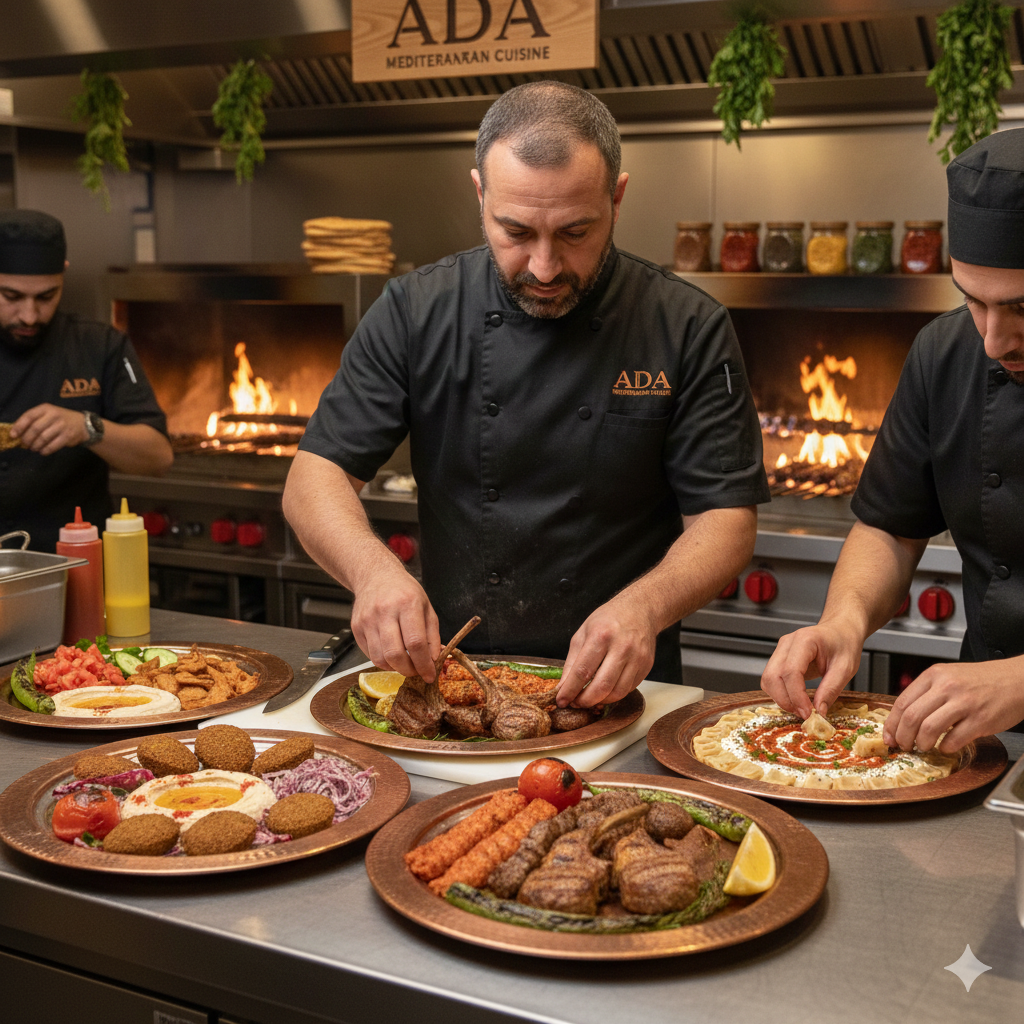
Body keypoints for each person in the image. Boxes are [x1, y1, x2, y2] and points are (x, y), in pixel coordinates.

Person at [283, 81, 768, 707]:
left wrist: (647, 607)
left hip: (619, 686)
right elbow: (314, 478)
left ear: (617, 198)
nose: (544, 266)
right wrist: (373, 572)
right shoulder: (416, 310)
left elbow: (726, 519)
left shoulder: (686, 326)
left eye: (574, 232)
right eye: (515, 231)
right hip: (452, 678)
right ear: (480, 195)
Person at [762, 127, 1024, 753]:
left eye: (1022, 308)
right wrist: (843, 621)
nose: (993, 341)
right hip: (987, 741)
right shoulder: (944, 352)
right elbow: (890, 527)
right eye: (973, 301)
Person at [0, 209, 173, 552]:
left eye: (46, 297)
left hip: (76, 558)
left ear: (63, 274)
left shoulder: (100, 345)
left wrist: (87, 427)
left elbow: (158, 457)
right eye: (12, 297)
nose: (30, 316)